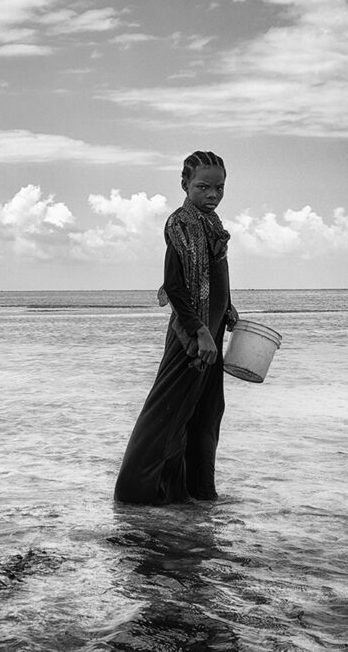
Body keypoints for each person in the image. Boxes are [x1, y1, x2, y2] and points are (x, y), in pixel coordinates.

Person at [114, 150, 239, 505]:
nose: (212, 194)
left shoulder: (211, 224)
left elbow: (215, 276)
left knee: (207, 413)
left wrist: (228, 307)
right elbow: (174, 284)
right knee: (168, 413)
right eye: (203, 187)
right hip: (192, 336)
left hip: (212, 330)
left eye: (219, 188)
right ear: (185, 185)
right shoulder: (181, 224)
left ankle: (198, 492)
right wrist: (199, 330)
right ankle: (137, 493)